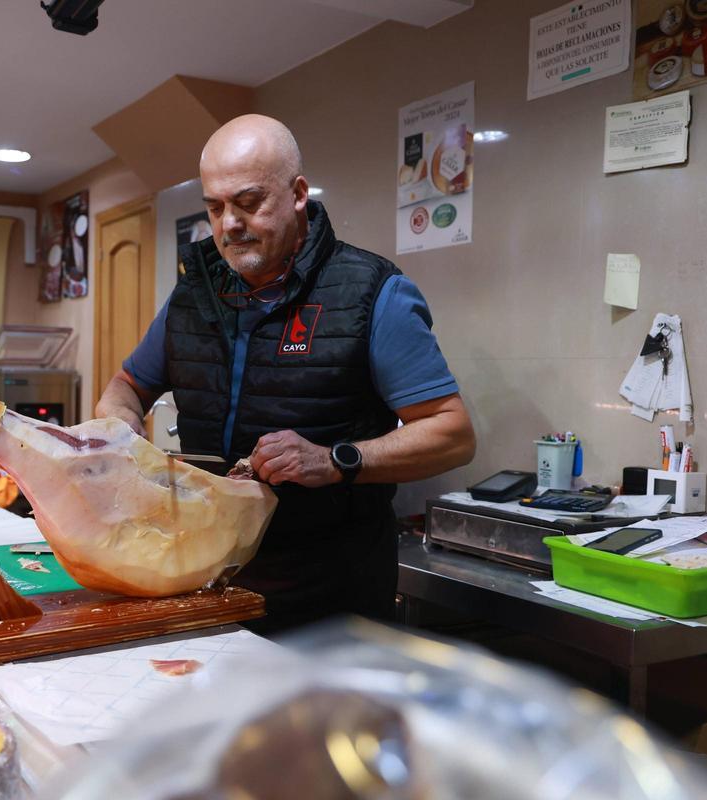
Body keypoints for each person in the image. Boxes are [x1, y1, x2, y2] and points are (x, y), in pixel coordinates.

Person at [95, 114, 476, 634]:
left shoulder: (373, 292)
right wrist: (120, 425)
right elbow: (126, 386)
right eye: (215, 207)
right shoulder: (194, 295)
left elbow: (453, 435)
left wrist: (335, 459)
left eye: (248, 203)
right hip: (208, 582)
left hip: (329, 602)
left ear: (298, 194)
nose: (228, 223)